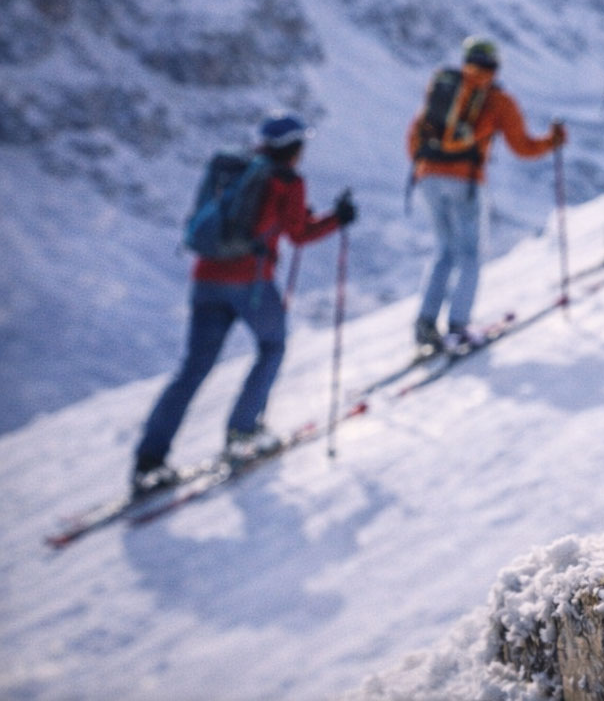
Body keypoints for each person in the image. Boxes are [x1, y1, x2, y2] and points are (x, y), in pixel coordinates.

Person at [132, 113, 356, 493]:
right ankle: (243, 432)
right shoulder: (285, 180)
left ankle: (148, 461)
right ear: (296, 148)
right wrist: (339, 218)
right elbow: (299, 234)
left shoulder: (234, 168)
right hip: (249, 282)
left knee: (193, 368)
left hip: (205, 278)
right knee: (271, 345)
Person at [409, 36, 565, 349]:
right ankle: (458, 326)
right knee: (469, 254)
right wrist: (552, 141)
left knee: (443, 251)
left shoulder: (442, 87)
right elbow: (521, 147)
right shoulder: (497, 99)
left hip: (427, 177)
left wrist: (428, 167)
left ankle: (425, 324)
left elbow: (414, 137)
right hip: (465, 181)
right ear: (495, 64)